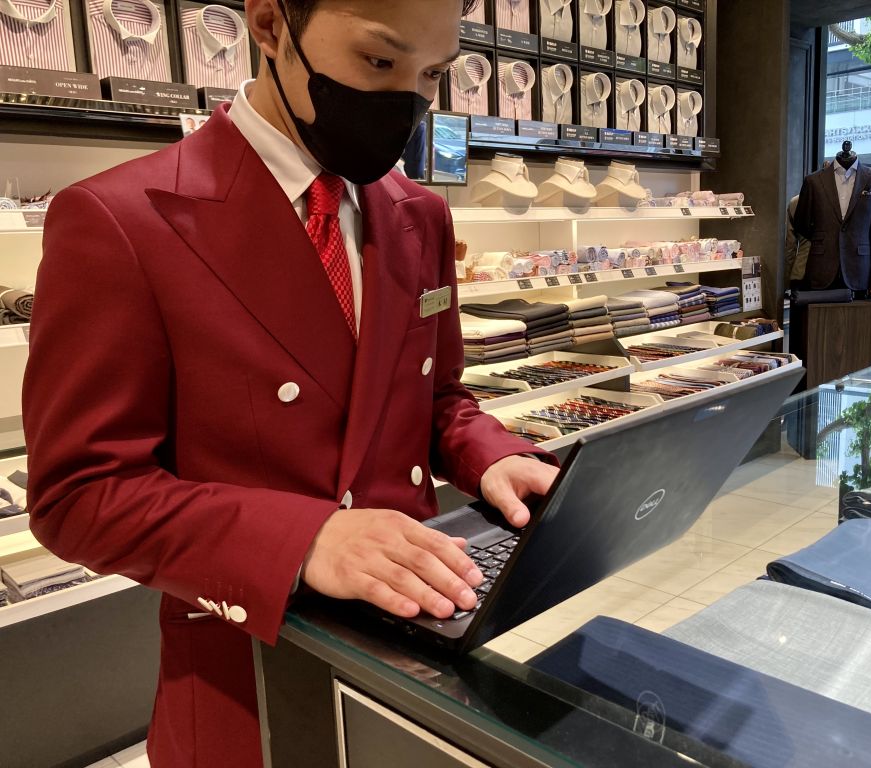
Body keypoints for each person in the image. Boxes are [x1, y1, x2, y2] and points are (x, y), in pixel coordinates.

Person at [23, 1, 558, 766]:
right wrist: (302, 538)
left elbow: (435, 397)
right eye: (379, 61)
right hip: (252, 675)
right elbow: (80, 495)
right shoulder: (121, 220)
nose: (407, 101)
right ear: (271, 25)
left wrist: (492, 454)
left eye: (433, 74)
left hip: (421, 650)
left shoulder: (419, 215)